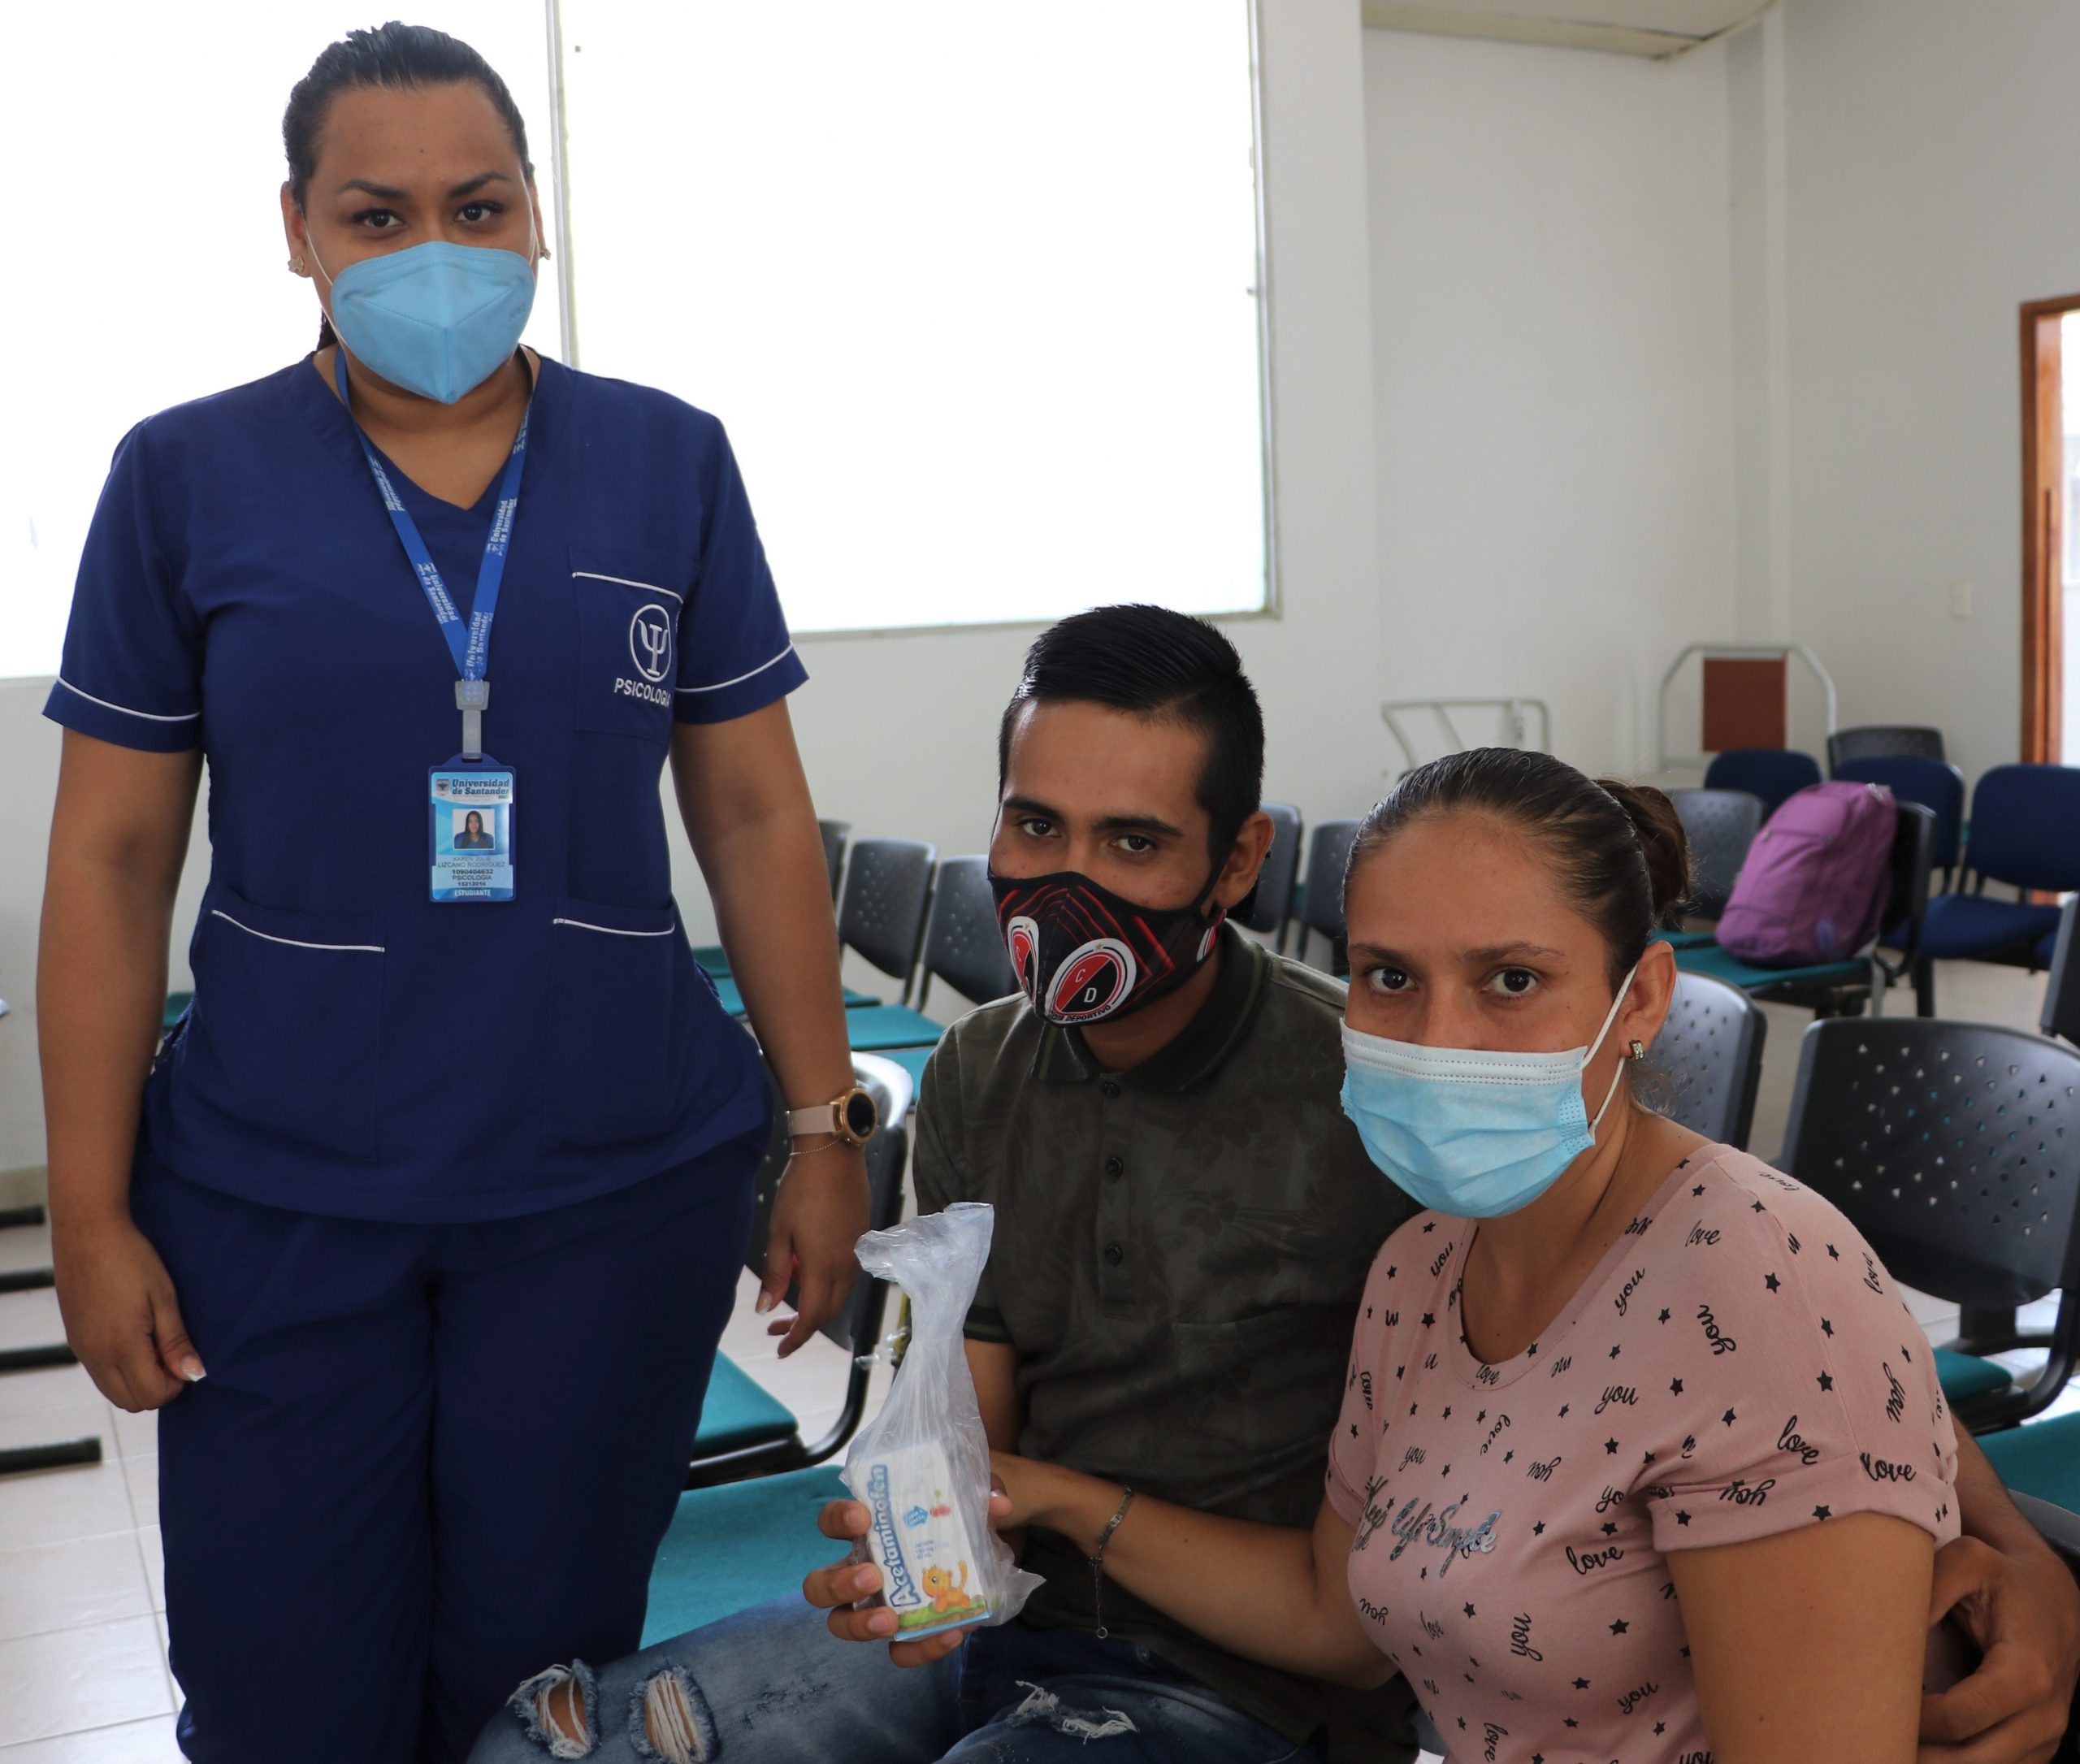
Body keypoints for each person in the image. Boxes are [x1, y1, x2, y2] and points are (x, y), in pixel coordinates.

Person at [477, 611, 2080, 1764]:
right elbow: (983, 1425)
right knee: (547, 1734)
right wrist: (937, 1529)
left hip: (1237, 1690)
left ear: (1236, 864)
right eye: (1034, 824)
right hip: (1028, 1611)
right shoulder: (1003, 1080)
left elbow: (1767, 1336)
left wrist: (2022, 1550)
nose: (1063, 885)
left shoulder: (1380, 1103)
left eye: (1131, 841)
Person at [37, 24, 870, 1763]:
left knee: (535, 1689)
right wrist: (92, 1215)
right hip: (278, 1192)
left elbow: (751, 811)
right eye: (378, 213)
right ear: (297, 230)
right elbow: (111, 862)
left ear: (535, 214)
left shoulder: (668, 462)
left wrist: (818, 1127)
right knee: (283, 1689)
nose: (436, 250)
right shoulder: (184, 479)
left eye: (478, 206)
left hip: (606, 1187)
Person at [964, 749, 1981, 1760]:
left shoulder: (1757, 1282)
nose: (1438, 1037)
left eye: (1511, 979)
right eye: (1389, 976)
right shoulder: (1422, 1267)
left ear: (1639, 998)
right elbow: (1332, 1617)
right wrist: (1051, 1493)